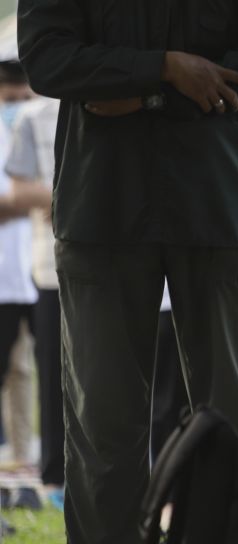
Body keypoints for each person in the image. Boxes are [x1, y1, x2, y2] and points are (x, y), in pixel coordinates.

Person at [17, 0, 238, 541]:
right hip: (103, 213)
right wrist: (167, 67)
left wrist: (145, 91)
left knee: (237, 422)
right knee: (102, 428)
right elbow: (48, 61)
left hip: (219, 210)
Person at [4, 92, 63, 504]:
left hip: (31, 272)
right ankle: (52, 474)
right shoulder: (31, 120)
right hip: (43, 270)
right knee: (46, 372)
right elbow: (14, 196)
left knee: (27, 371)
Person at [0, 60, 37, 467]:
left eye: (26, 98)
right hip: (4, 274)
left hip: (34, 272)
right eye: (12, 100)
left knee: (25, 371)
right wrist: (38, 199)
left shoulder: (35, 131)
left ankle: (24, 456)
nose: (21, 106)